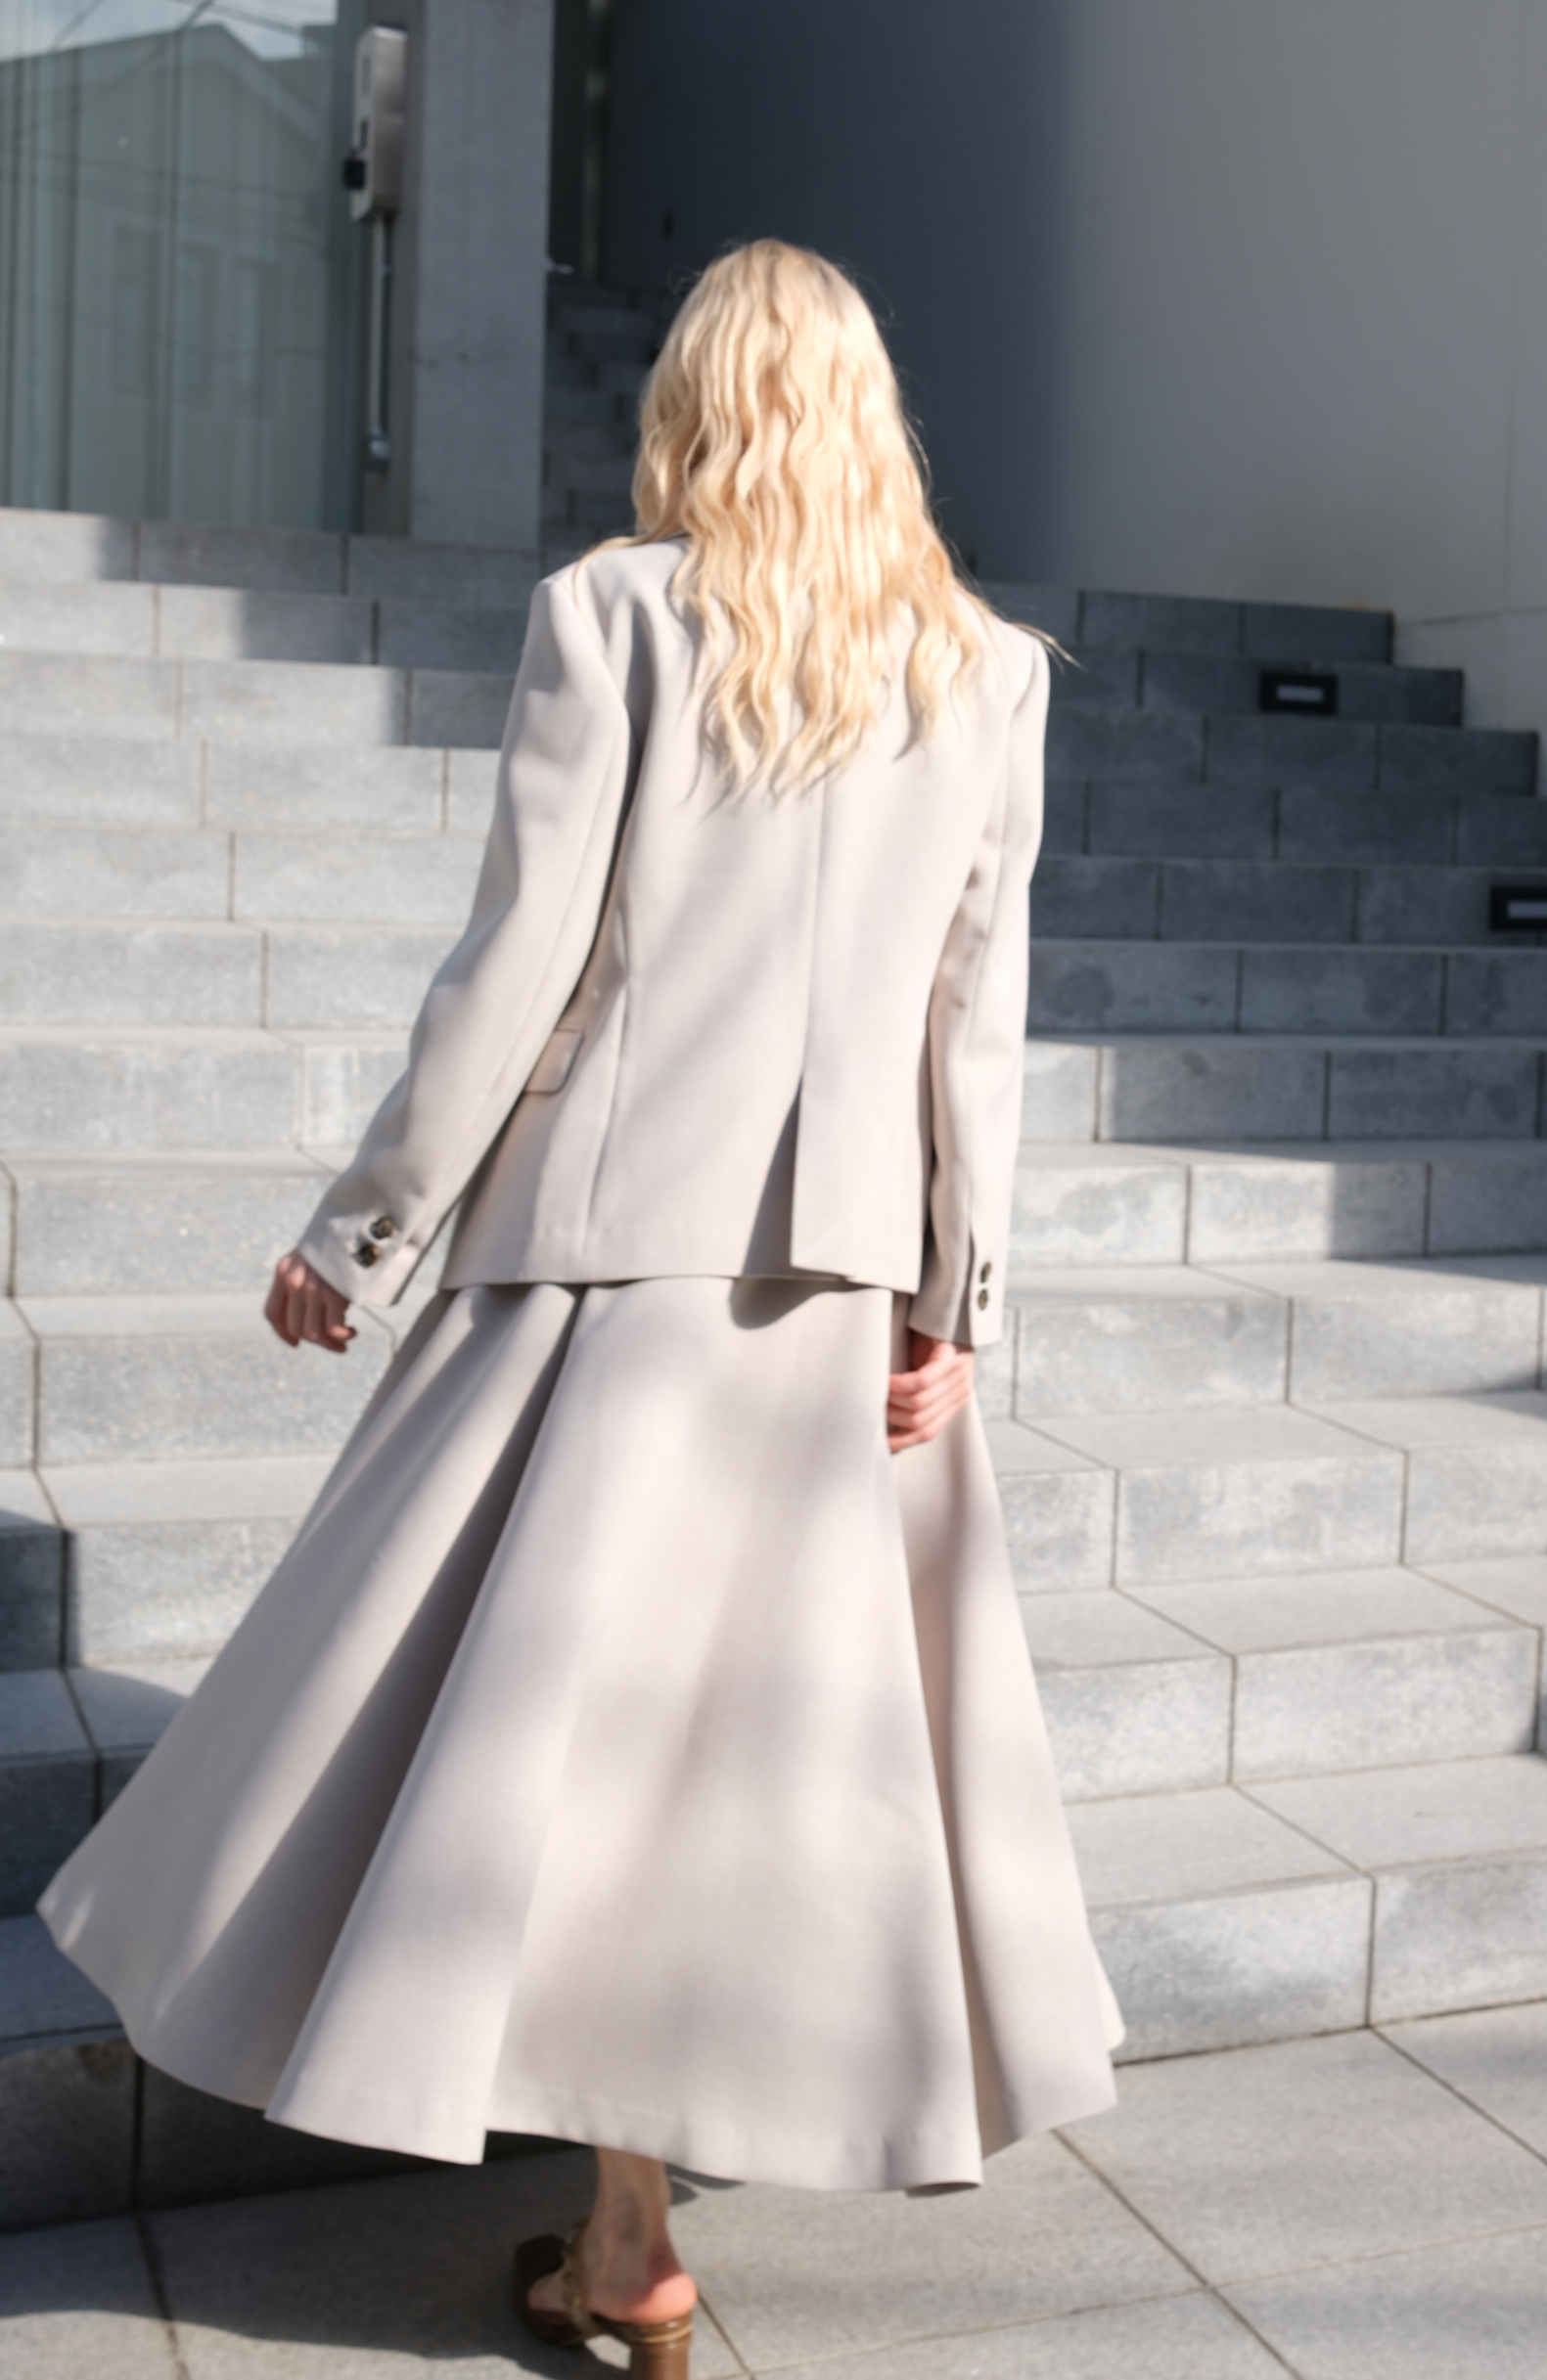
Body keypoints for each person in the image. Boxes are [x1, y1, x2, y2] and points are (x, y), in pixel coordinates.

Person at [38, 239, 1119, 2377]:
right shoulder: (987, 671)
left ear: (695, 400)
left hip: (604, 1263)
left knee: (542, 1723)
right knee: (741, 1761)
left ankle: (620, 2225)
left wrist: (366, 1229)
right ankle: (631, 2229)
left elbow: (523, 963)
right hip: (839, 1291)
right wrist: (955, 1300)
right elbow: (970, 1020)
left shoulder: (614, 613)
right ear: (871, 410)